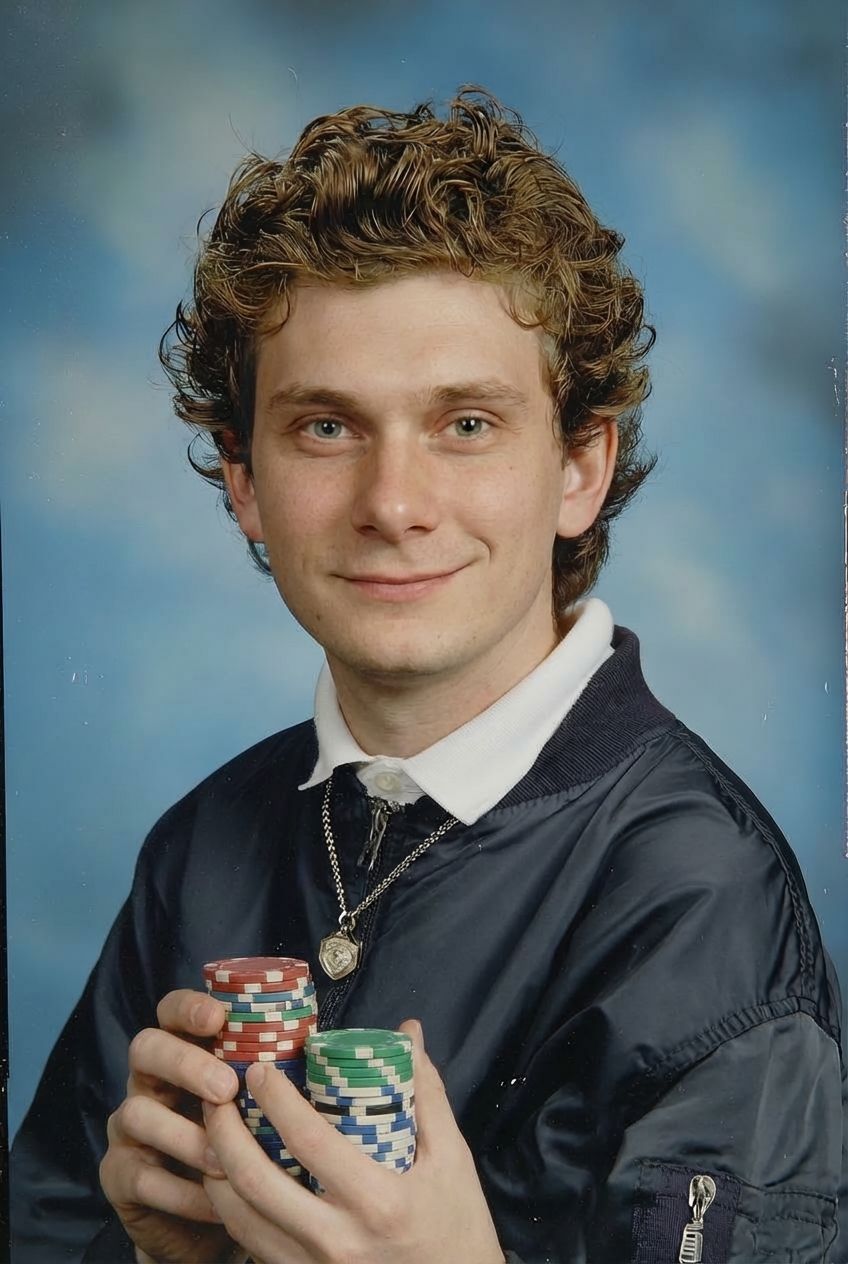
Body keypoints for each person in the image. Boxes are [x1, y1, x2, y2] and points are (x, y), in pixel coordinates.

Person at [9, 88, 846, 1264]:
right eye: (326, 427)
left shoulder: (701, 896)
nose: (393, 505)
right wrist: (148, 1254)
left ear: (578, 469)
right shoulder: (197, 851)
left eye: (465, 425)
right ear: (243, 481)